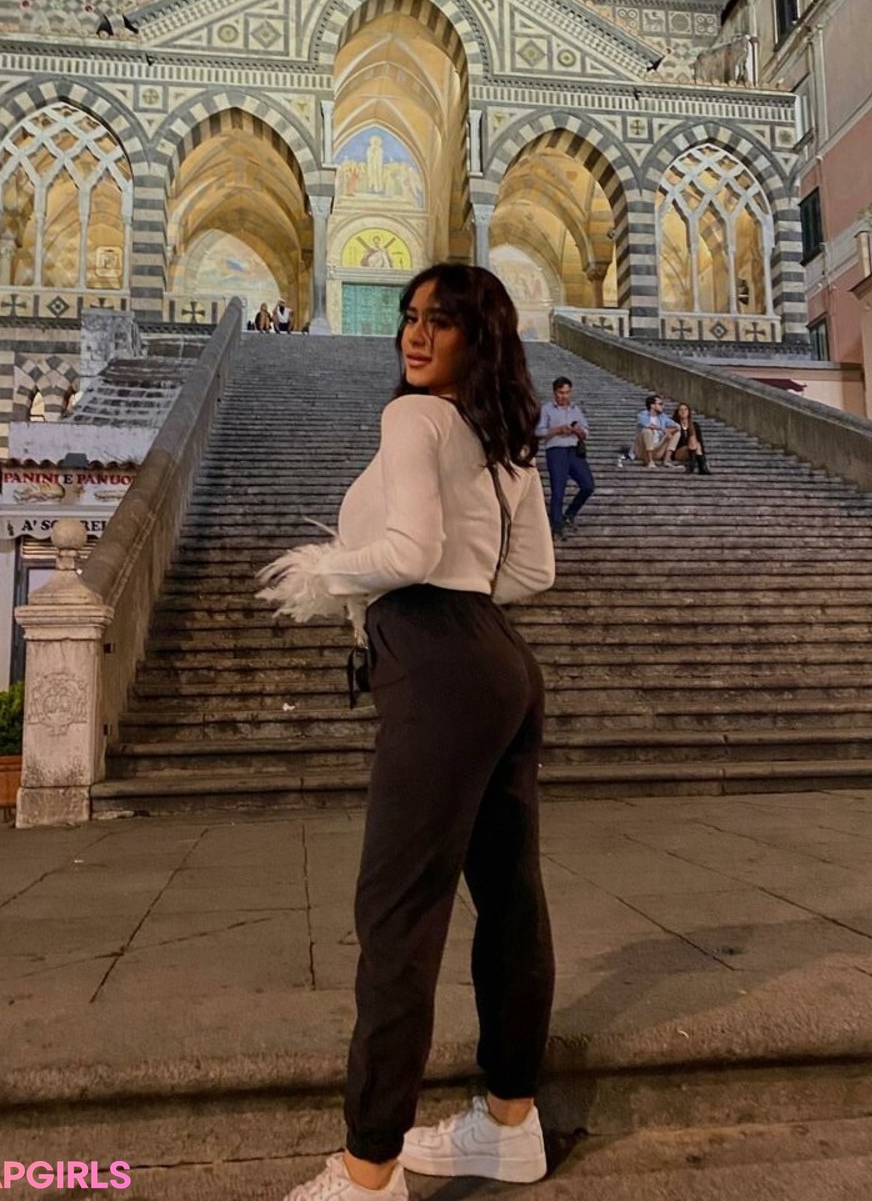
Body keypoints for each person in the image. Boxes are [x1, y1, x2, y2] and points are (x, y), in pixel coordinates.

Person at [257, 263, 557, 1201]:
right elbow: (533, 574)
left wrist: (324, 573)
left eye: (442, 320)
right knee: (509, 897)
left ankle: (368, 1170)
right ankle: (509, 1124)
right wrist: (465, 594)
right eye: (410, 316)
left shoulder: (414, 418)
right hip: (501, 661)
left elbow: (410, 551)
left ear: (480, 336)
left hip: (434, 658)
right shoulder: (503, 439)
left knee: (397, 915)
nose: (415, 335)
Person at [536, 376, 595, 538]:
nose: (564, 396)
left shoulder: (575, 409)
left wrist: (580, 431)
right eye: (561, 393)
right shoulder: (547, 409)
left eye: (567, 392)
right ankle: (556, 526)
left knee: (588, 485)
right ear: (554, 392)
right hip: (556, 450)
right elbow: (539, 432)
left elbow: (586, 430)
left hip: (574, 450)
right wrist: (559, 429)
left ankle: (570, 513)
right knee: (558, 489)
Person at [634, 393, 680, 467]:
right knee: (647, 431)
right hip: (643, 451)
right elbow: (649, 425)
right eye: (660, 404)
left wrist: (670, 431)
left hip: (657, 449)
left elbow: (677, 426)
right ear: (652, 405)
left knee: (677, 433)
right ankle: (650, 461)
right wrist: (663, 429)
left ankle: (666, 460)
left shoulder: (662, 417)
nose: (663, 406)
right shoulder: (642, 415)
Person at [671, 401, 710, 474]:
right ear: (677, 412)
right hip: (678, 451)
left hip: (693, 449)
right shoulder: (675, 425)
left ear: (689, 412)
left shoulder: (695, 425)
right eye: (681, 410)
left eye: (685, 409)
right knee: (693, 441)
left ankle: (692, 465)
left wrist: (702, 453)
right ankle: (702, 466)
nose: (683, 412)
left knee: (696, 443)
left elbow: (700, 441)